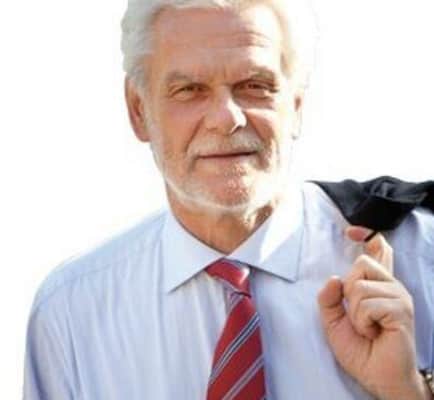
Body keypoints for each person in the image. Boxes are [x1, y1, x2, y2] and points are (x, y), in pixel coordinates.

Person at [23, 1, 433, 399]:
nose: (226, 118)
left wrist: (405, 391)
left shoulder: (421, 263)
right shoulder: (70, 312)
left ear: (296, 104)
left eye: (254, 86)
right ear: (138, 111)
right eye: (189, 90)